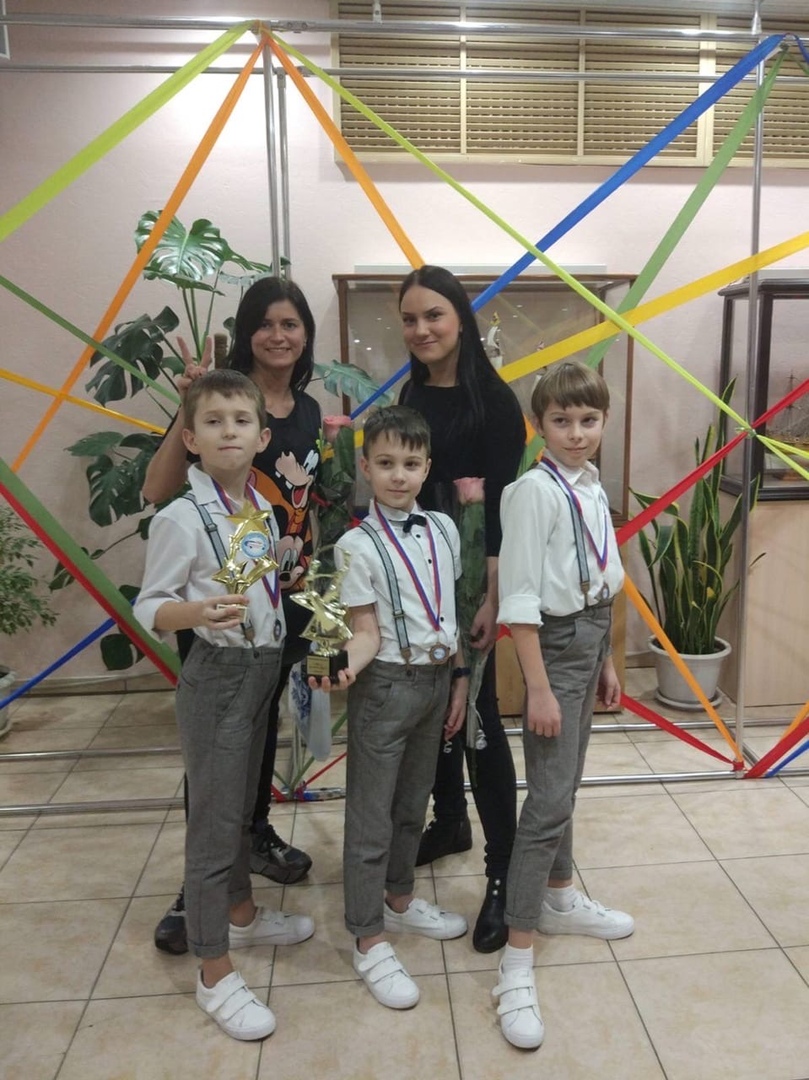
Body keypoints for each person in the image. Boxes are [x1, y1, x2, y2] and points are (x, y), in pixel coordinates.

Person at [134, 369, 314, 1041]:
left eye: (241, 421)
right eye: (213, 422)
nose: (228, 432)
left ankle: (240, 914)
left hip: (260, 671)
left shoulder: (256, 509)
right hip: (217, 679)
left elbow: (248, 586)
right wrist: (194, 612)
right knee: (212, 828)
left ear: (262, 437)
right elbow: (151, 605)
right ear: (191, 438)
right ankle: (213, 968)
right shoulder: (180, 517)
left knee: (240, 810)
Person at [492, 361, 633, 1050]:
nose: (576, 433)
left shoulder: (590, 483)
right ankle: (516, 957)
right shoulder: (532, 493)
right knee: (546, 800)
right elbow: (519, 600)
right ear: (538, 424)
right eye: (561, 421)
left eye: (588, 420)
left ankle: (557, 895)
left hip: (589, 635)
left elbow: (599, 576)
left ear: (602, 422)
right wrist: (540, 688)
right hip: (551, 646)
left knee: (566, 785)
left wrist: (605, 658)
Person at [312, 405, 469, 1009]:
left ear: (427, 467)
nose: (398, 475)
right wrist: (342, 667)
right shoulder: (355, 545)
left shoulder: (445, 529)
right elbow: (364, 631)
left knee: (412, 805)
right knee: (371, 816)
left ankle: (399, 897)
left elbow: (448, 613)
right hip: (384, 688)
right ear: (365, 467)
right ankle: (367, 935)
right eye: (385, 463)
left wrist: (458, 680)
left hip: (435, 684)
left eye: (410, 463)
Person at [398, 265, 524, 953]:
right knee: (432, 708)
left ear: (460, 320)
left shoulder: (495, 403)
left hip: (474, 578)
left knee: (478, 719)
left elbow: (500, 511)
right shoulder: (412, 394)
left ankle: (502, 874)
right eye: (410, 319)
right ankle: (449, 821)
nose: (421, 330)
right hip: (418, 576)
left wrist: (490, 597)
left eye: (434, 316)